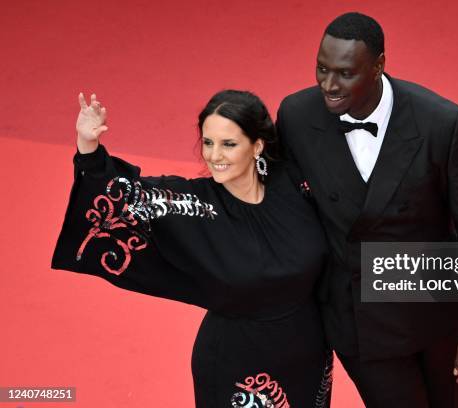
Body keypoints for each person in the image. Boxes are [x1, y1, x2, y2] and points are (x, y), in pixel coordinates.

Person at [52, 91, 333, 407]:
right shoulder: (193, 205)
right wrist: (88, 148)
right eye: (208, 142)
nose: (214, 155)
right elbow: (124, 199)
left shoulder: (293, 185)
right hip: (240, 367)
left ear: (257, 146)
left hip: (309, 356)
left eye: (228, 144)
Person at [277, 12, 458, 407]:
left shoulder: (443, 124)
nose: (329, 85)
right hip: (357, 320)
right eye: (321, 68)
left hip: (436, 316)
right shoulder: (296, 116)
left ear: (379, 65)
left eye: (345, 73)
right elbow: (290, 210)